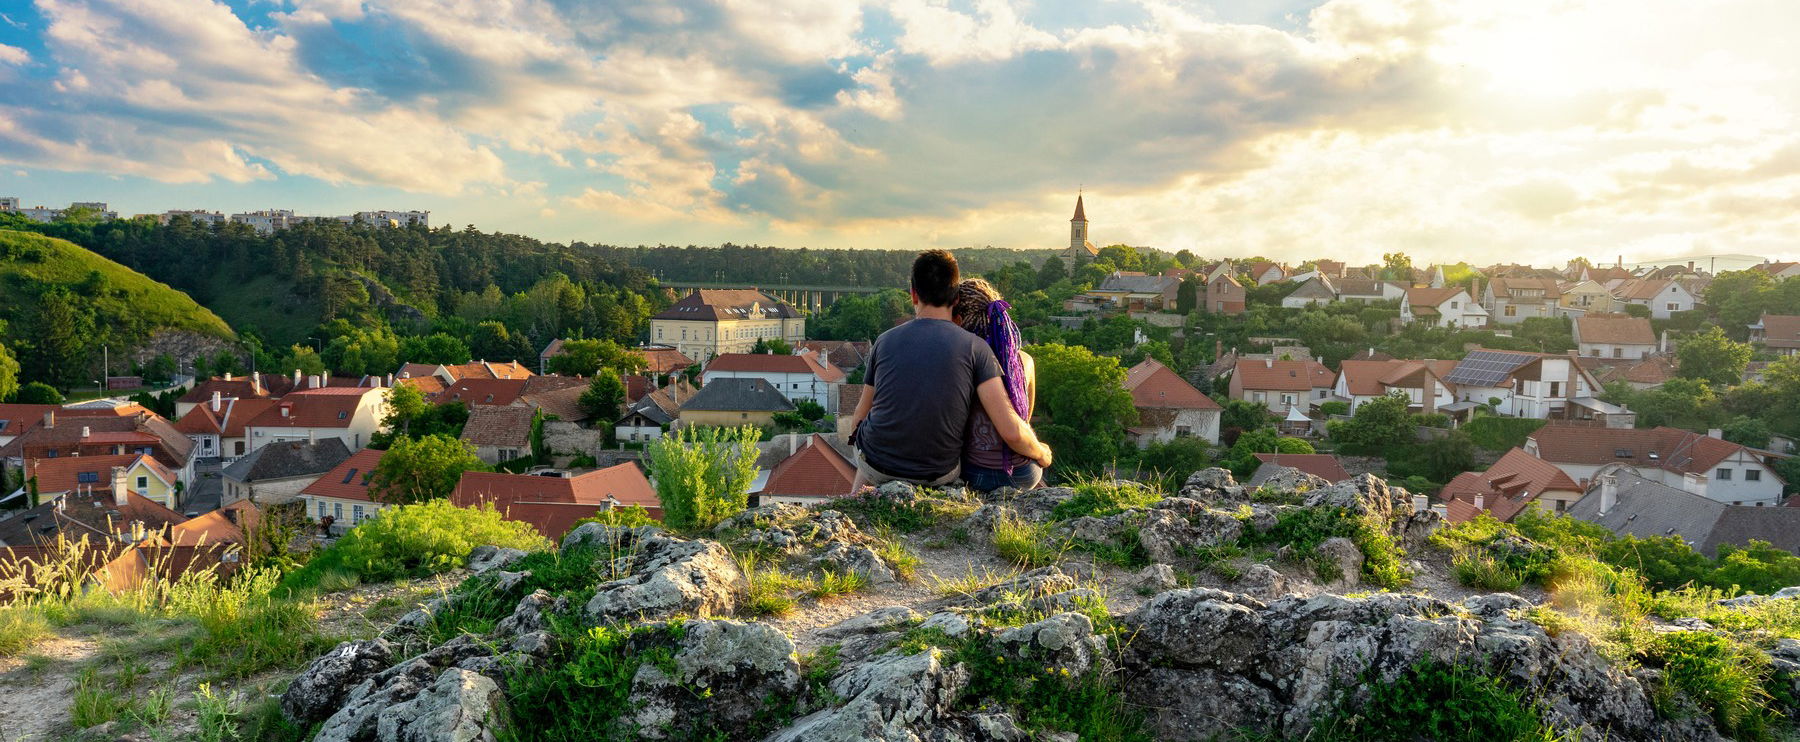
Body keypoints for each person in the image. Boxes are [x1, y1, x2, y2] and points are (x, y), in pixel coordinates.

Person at [847, 250, 1052, 487]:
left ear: (913, 295)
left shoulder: (884, 340)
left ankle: (855, 498)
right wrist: (1042, 453)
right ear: (955, 299)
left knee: (869, 444)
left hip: (875, 465)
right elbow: (1011, 429)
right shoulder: (976, 348)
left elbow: (859, 417)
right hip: (938, 473)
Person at [951, 278, 1043, 492]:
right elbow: (1024, 421)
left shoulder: (959, 364)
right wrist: (1041, 452)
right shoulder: (1025, 361)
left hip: (974, 473)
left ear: (958, 320)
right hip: (1024, 474)